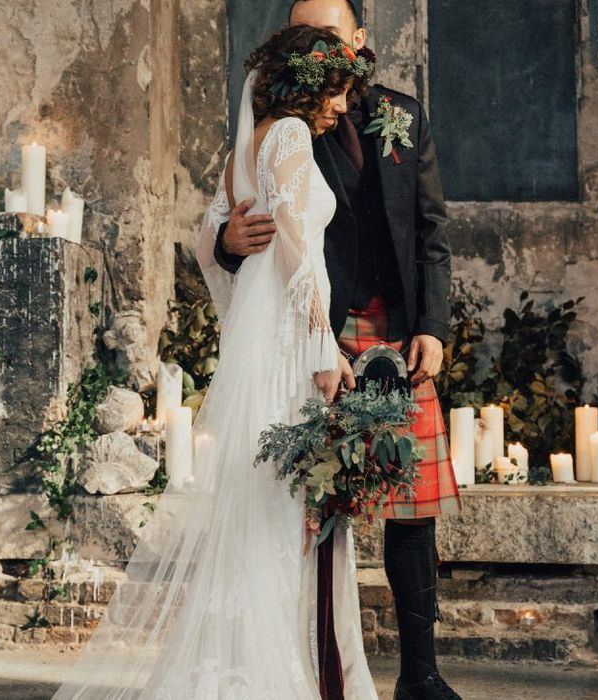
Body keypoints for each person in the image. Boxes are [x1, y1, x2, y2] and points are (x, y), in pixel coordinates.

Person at [52, 24, 379, 699]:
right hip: (289, 342)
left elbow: (209, 246)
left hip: (265, 340)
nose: (342, 107)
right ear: (307, 83)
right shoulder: (288, 135)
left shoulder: (244, 149)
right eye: (338, 91)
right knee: (277, 510)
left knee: (260, 504)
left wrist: (242, 310)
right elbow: (292, 242)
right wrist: (322, 345)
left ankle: (243, 664)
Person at [213, 2, 462, 699]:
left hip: (399, 333)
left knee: (416, 508)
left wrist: (434, 328)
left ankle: (420, 676)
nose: (326, 48)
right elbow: (233, 217)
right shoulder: (290, 121)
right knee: (313, 506)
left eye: (335, 34)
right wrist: (226, 243)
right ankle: (312, 667)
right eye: (311, 35)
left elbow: (432, 231)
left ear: (360, 39)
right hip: (322, 332)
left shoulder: (403, 116)